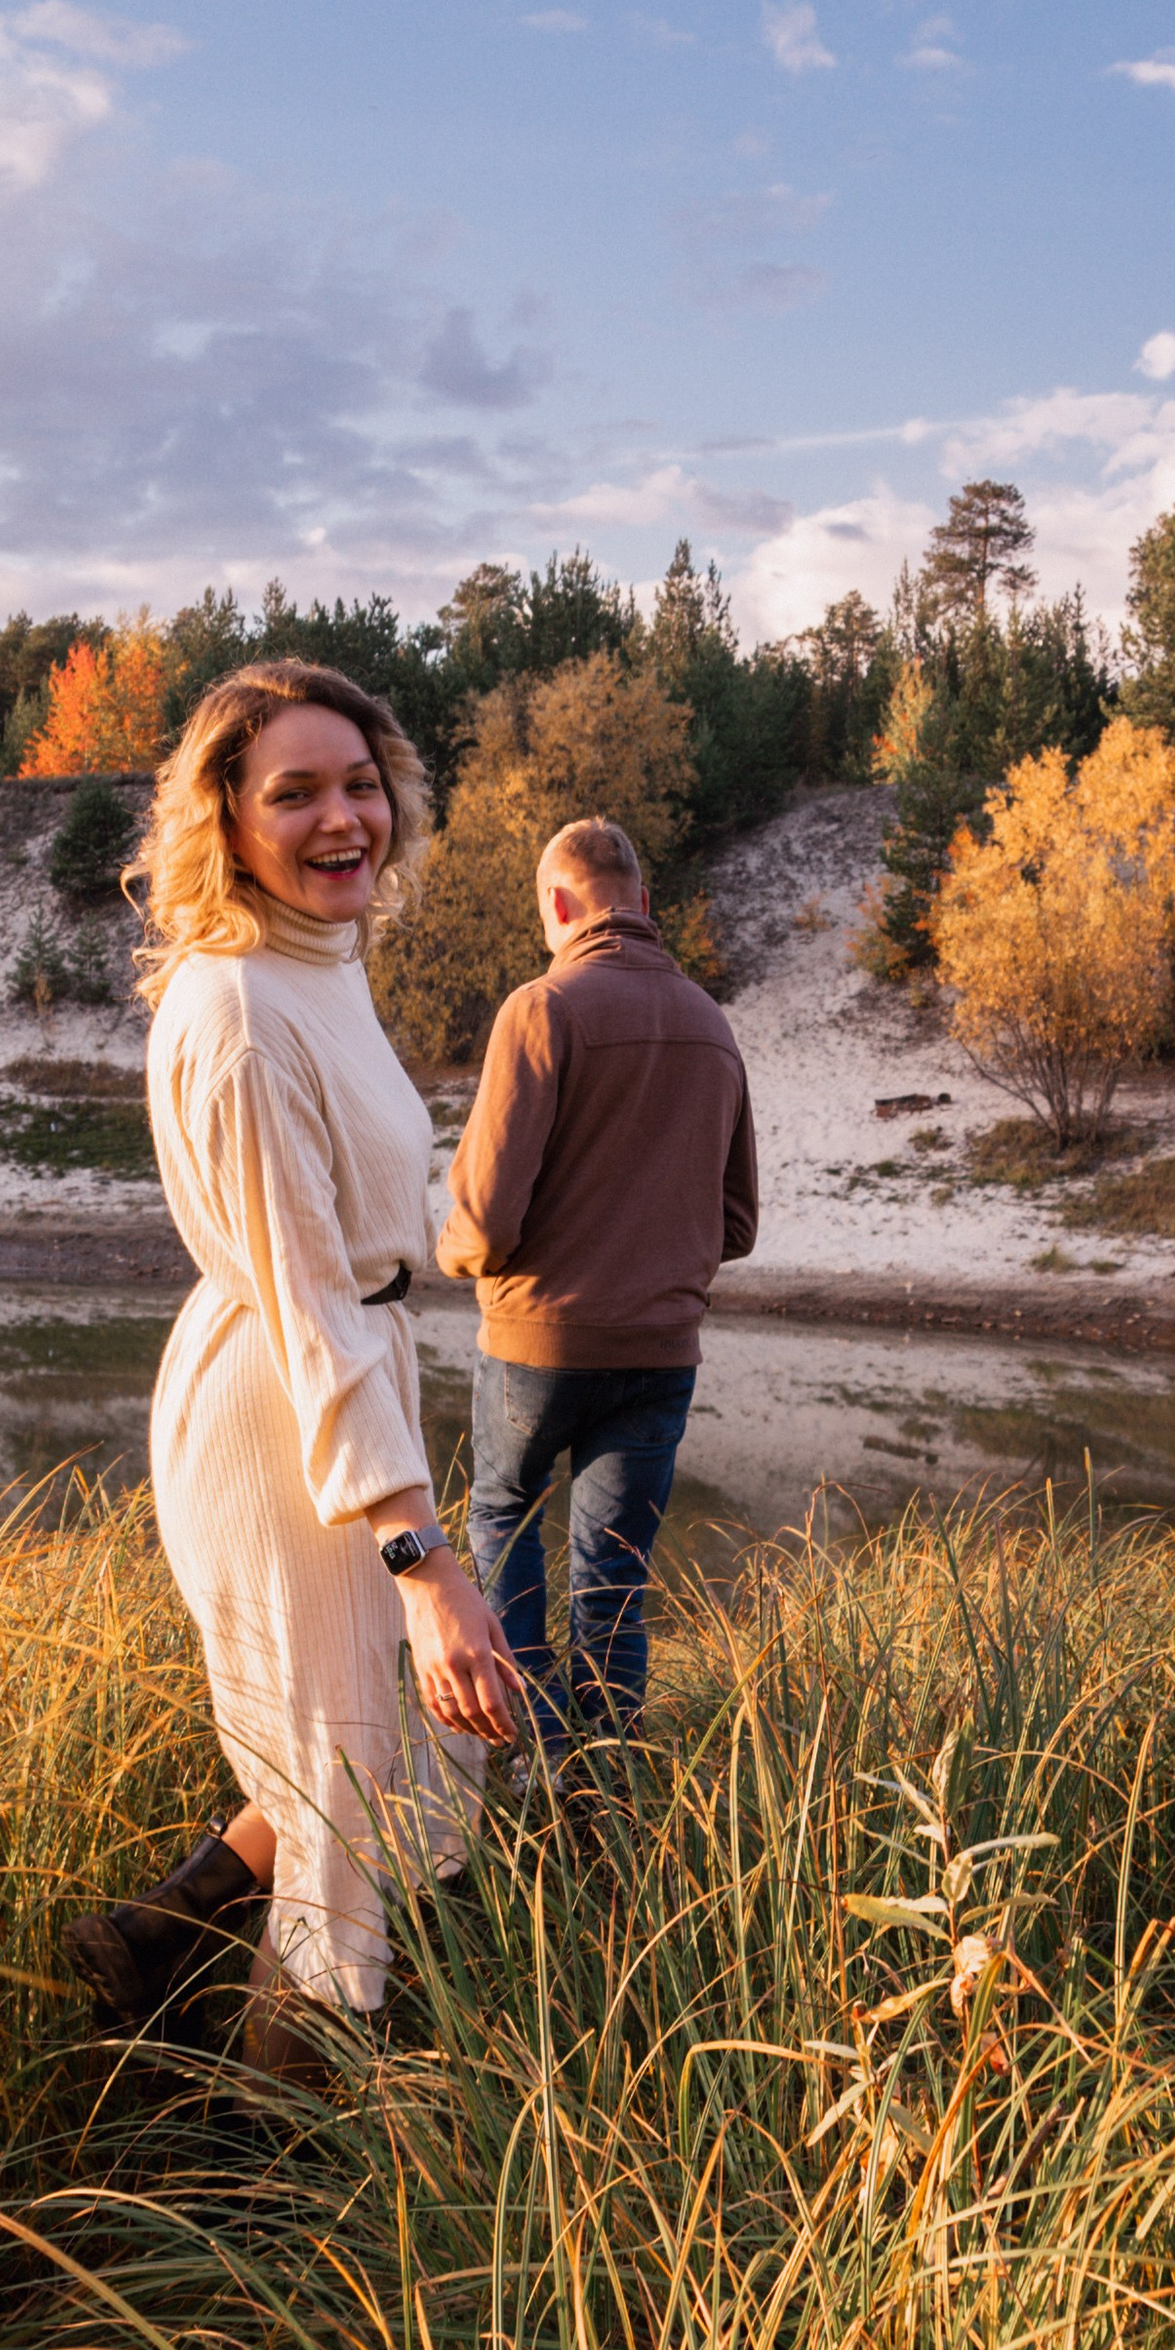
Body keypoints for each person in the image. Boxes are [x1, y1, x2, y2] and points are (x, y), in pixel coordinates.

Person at [64, 660, 521, 2085]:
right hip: (285, 1410)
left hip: (335, 1372)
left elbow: (349, 1262)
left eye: (361, 784)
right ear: (227, 819)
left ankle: (156, 1943)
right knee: (347, 1818)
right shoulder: (247, 1015)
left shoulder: (316, 967)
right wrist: (426, 1562)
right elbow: (313, 1300)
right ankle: (278, 2205)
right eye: (296, 793)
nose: (344, 821)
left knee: (374, 1764)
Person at [436, 817, 758, 1768]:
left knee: (502, 1515)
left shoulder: (541, 1009)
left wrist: (456, 1256)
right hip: (660, 1356)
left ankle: (524, 1764)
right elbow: (738, 1224)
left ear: (559, 907)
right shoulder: (711, 1023)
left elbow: (487, 1219)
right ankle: (603, 1791)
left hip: (539, 1343)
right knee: (613, 1579)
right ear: (645, 904)